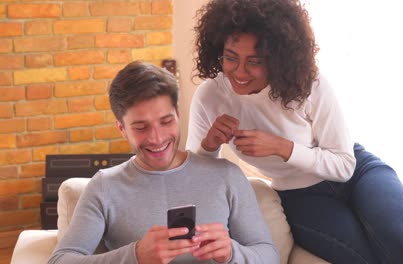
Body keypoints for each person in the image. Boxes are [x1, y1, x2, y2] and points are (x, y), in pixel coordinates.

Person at [186, 0, 403, 263]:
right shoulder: (210, 97)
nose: (239, 72)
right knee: (364, 258)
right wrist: (209, 145)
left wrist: (282, 148)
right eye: (231, 58)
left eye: (254, 62)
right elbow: (194, 177)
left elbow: (344, 165)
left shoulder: (307, 84)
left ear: (277, 58)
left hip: (359, 173)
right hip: (300, 197)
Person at [48, 61, 279, 264]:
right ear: (122, 128)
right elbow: (60, 260)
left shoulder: (226, 176)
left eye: (166, 121)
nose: (157, 139)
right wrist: (135, 257)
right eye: (141, 127)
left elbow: (268, 255)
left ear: (178, 114)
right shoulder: (104, 187)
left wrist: (231, 253)